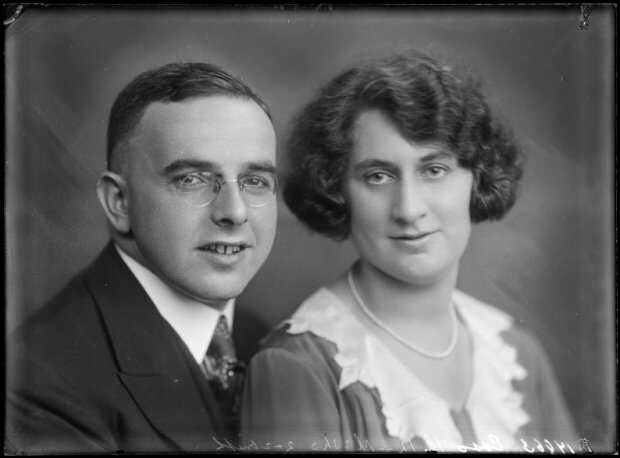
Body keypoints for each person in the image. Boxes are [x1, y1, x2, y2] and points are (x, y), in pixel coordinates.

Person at [241, 51, 578, 452]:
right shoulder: (300, 367)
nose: (409, 209)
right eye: (378, 176)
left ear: (477, 177)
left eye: (434, 170)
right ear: (337, 190)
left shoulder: (516, 355)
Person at [6, 62, 278, 453]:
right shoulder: (40, 387)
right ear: (119, 202)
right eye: (192, 179)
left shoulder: (260, 338)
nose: (234, 212)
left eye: (255, 181)